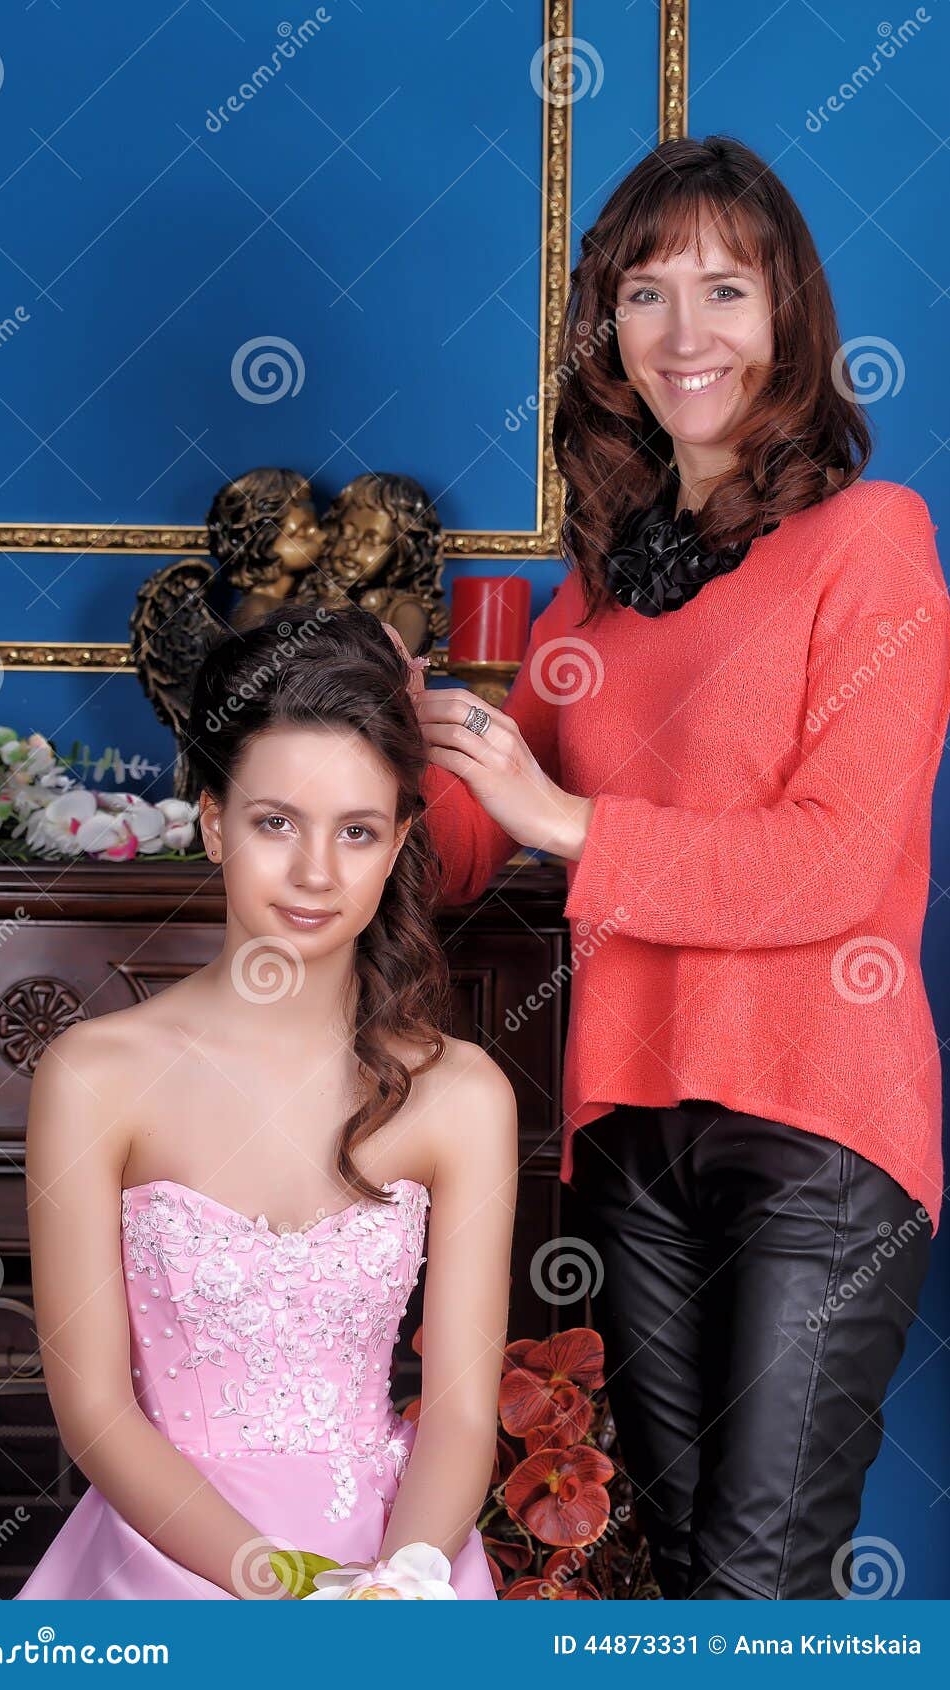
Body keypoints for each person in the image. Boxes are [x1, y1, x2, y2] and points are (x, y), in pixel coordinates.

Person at [391, 134, 950, 1600]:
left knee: (757, 1581)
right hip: (628, 1134)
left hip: (819, 1127)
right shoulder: (592, 598)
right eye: (645, 294)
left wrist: (568, 819)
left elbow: (833, 863)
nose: (684, 333)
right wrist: (383, 730)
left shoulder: (872, 543)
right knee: (679, 1573)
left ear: (788, 322)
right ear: (608, 335)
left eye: (724, 289)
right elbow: (457, 857)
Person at [16, 606, 515, 1600]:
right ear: (212, 819)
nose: (316, 872)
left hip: (398, 1560)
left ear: (398, 840)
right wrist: (282, 1586)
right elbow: (95, 1411)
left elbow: (460, 1413)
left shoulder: (462, 1095)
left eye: (359, 830)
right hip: (173, 1560)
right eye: (275, 821)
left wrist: (401, 1582)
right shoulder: (93, 1076)